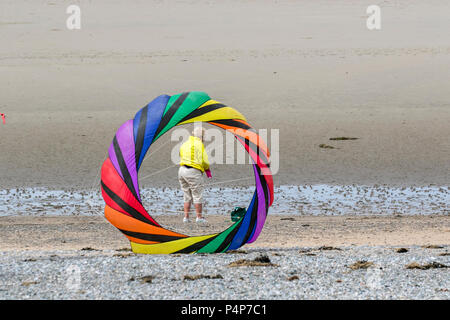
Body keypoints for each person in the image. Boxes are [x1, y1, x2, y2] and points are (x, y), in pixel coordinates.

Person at [178, 126, 212, 223]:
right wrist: (207, 170)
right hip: (193, 172)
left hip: (181, 170)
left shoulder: (185, 143)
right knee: (197, 195)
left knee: (186, 194)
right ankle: (199, 218)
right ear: (201, 137)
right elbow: (205, 161)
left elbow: (180, 154)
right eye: (204, 137)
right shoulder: (199, 144)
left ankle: (186, 218)